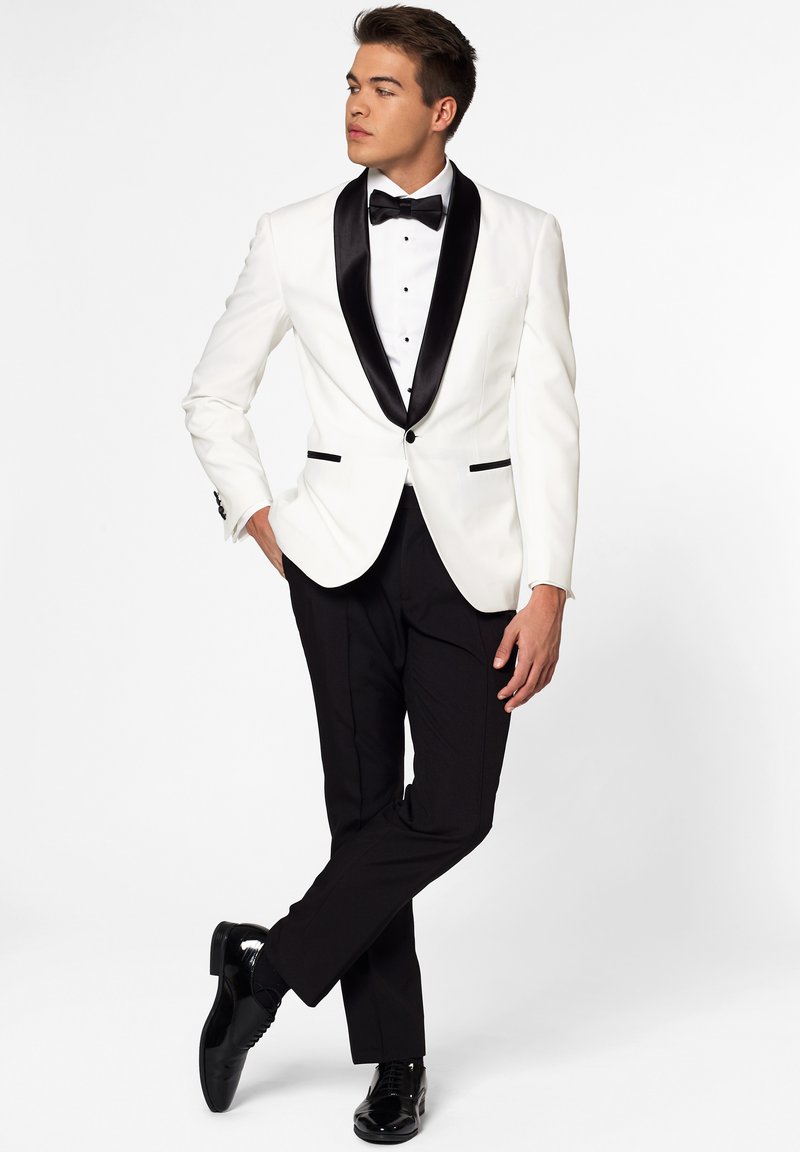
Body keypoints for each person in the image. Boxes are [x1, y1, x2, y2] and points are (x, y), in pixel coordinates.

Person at [181, 4, 579, 1142]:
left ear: (441, 110)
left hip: (473, 560)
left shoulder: (527, 236)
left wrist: (549, 585)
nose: (355, 104)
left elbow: (550, 416)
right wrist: (263, 521)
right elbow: (212, 395)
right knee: (360, 813)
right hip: (336, 559)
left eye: (383, 87)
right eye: (351, 84)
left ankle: (265, 971)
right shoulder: (291, 234)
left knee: (454, 810)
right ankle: (395, 1060)